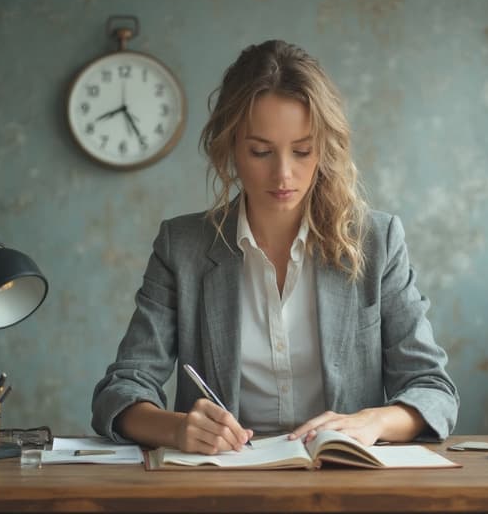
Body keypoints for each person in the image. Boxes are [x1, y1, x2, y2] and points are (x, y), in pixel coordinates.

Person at [91, 39, 458, 454]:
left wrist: (371, 421)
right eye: (260, 151)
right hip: (224, 485)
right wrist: (175, 428)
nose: (283, 173)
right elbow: (120, 391)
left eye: (302, 151)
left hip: (345, 482)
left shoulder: (377, 240)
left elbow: (434, 390)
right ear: (230, 148)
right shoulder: (182, 247)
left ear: (325, 149)